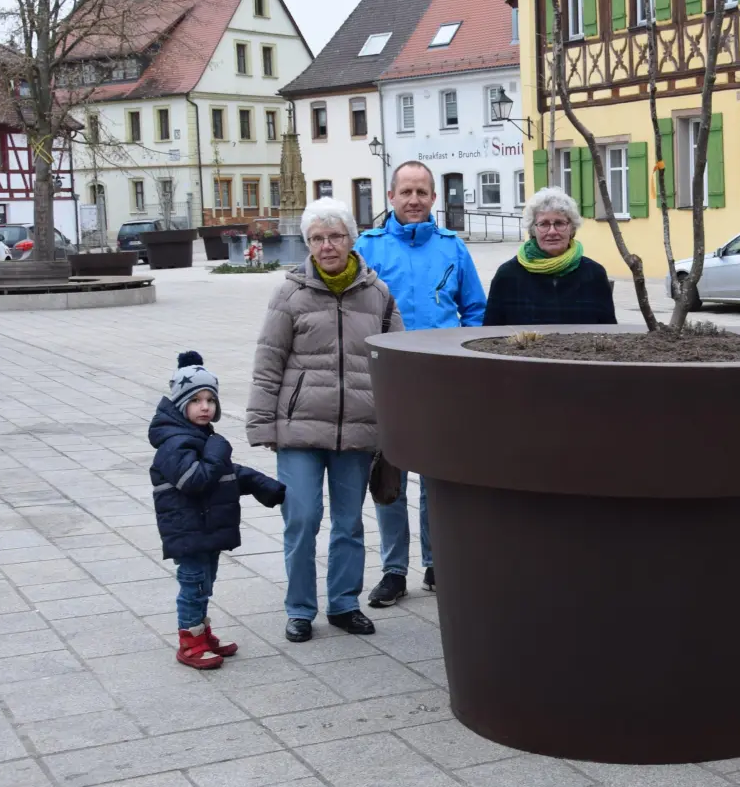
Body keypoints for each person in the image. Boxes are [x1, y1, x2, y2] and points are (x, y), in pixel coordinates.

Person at [248, 197, 402, 643]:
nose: (327, 246)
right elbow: (268, 360)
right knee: (302, 518)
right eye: (317, 238)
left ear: (352, 240)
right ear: (308, 244)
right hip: (298, 428)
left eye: (335, 236)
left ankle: (343, 604)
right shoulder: (289, 293)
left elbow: (397, 364)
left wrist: (398, 424)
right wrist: (261, 423)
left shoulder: (378, 294)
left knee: (349, 523)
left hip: (358, 427)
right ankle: (299, 608)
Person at [357, 161, 485, 608]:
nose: (414, 200)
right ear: (390, 197)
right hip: (387, 380)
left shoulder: (453, 247)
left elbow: (475, 310)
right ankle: (394, 570)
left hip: (441, 381)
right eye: (406, 192)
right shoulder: (368, 248)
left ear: (433, 198)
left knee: (437, 479)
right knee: (389, 477)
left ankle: (437, 563)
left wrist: (464, 358)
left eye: (422, 192)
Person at [150, 351, 285, 669]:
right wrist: (216, 449)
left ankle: (202, 633)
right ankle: (189, 643)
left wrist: (260, 484)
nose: (205, 407)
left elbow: (224, 473)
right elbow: (195, 479)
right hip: (188, 530)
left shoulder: (199, 436)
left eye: (210, 400)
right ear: (181, 404)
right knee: (194, 586)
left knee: (203, 584)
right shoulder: (174, 443)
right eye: (196, 400)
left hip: (204, 528)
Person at [484, 187, 616, 326]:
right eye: (543, 224)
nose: (552, 232)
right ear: (533, 230)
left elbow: (609, 331)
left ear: (572, 228)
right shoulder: (507, 275)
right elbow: (490, 332)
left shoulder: (594, 274)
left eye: (559, 223)